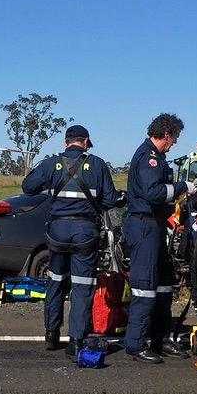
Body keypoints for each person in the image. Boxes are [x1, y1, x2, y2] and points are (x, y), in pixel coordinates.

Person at [22, 124, 120, 356]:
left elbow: (28, 187)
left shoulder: (51, 163)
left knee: (55, 281)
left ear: (66, 142)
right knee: (82, 286)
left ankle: (51, 334)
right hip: (85, 233)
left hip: (57, 232)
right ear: (85, 142)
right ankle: (76, 340)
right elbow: (110, 200)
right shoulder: (97, 165)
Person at [123, 113, 197, 364]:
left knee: (164, 283)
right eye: (174, 138)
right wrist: (181, 188)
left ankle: (160, 337)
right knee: (144, 286)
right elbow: (154, 192)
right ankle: (136, 343)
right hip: (143, 226)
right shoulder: (149, 158)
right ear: (166, 135)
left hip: (155, 225)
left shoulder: (159, 159)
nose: (174, 143)